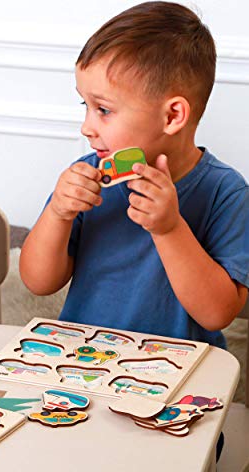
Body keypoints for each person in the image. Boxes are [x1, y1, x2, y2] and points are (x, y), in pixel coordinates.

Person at [20, 2, 248, 350]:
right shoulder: (87, 176)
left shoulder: (226, 193)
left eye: (103, 110)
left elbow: (218, 314)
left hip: (180, 368)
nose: (86, 127)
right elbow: (38, 282)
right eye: (85, 106)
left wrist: (170, 229)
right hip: (85, 360)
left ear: (172, 116)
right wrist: (58, 213)